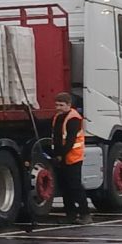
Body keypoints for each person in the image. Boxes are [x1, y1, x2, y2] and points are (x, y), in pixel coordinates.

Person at [51, 92, 91, 224]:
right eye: (57, 105)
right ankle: (70, 214)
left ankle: (85, 214)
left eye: (61, 105)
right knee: (65, 187)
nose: (58, 107)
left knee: (75, 187)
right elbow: (57, 137)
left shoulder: (74, 119)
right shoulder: (58, 117)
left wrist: (60, 155)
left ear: (69, 105)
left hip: (73, 157)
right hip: (62, 157)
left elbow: (70, 141)